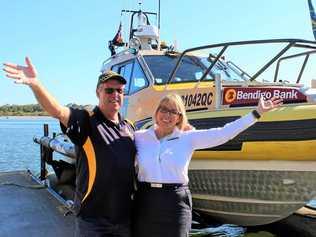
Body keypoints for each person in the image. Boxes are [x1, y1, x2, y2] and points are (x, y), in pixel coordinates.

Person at [3, 57, 136, 237]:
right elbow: (57, 110)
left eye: (119, 90)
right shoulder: (86, 120)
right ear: (98, 92)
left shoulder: (129, 127)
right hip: (93, 221)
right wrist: (35, 84)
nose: (115, 95)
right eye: (109, 90)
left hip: (124, 219)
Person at [132, 93, 283, 237]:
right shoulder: (139, 137)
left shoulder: (188, 138)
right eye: (163, 109)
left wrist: (256, 113)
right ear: (157, 111)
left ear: (179, 117)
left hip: (175, 202)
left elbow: (223, 133)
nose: (167, 115)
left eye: (173, 111)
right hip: (146, 200)